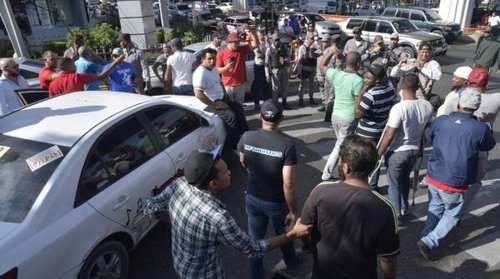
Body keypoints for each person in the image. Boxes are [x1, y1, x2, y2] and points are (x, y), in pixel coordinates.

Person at [143, 149, 311, 279]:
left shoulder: (179, 184)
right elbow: (252, 248)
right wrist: (293, 234)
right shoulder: (217, 217)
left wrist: (175, 218)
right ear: (213, 183)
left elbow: (149, 206)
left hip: (180, 264)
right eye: (225, 171)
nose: (230, 171)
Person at [300, 135, 399, 279]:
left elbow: (304, 228)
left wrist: (308, 246)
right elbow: (388, 258)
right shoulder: (384, 207)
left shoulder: (320, 191)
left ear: (346, 167)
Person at [418, 89, 495, 260]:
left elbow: (429, 137)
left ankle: (425, 235)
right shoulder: (480, 128)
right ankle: (429, 241)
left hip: (434, 173)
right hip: (456, 180)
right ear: (476, 107)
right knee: (452, 213)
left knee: (435, 207)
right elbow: (488, 146)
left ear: (459, 103)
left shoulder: (442, 120)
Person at [238, 100, 299, 279]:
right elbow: (288, 183)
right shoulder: (287, 145)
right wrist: (293, 211)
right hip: (277, 201)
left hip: (253, 195)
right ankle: (291, 263)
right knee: (285, 234)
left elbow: (243, 160)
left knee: (255, 240)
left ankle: (255, 275)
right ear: (281, 118)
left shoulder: (247, 136)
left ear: (260, 116)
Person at [377, 74, 433, 218]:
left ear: (401, 86)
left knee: (394, 184)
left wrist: (377, 154)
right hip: (414, 151)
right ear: (417, 87)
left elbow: (389, 135)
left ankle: (396, 215)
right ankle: (404, 208)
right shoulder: (426, 105)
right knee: (404, 181)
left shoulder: (399, 108)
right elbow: (427, 128)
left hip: (398, 152)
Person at [193, 48, 248, 149]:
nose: (212, 61)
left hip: (222, 98)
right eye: (209, 59)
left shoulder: (213, 69)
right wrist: (215, 105)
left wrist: (225, 95)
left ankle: (246, 138)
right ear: (202, 59)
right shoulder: (200, 73)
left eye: (214, 58)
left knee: (239, 110)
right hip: (212, 103)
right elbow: (198, 93)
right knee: (231, 117)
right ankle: (234, 145)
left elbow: (220, 82)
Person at [321, 52, 364, 181]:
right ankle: (327, 174)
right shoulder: (358, 80)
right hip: (348, 118)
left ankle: (341, 169)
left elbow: (322, 65)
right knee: (340, 146)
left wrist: (331, 52)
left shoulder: (337, 74)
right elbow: (358, 103)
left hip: (336, 115)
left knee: (341, 143)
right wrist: (360, 116)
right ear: (358, 64)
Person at [216, 31, 258, 104]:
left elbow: (255, 45)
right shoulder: (221, 53)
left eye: (238, 42)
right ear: (229, 42)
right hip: (228, 85)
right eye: (236, 42)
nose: (238, 44)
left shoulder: (241, 49)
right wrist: (227, 67)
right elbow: (217, 70)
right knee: (230, 107)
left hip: (240, 84)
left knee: (239, 106)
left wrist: (253, 32)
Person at [49, 56, 123, 97]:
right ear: (68, 65)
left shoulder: (52, 85)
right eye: (73, 64)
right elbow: (102, 76)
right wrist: (115, 63)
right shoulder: (76, 77)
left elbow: (52, 101)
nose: (75, 66)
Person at [266, 34, 291, 109]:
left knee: (285, 87)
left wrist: (287, 62)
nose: (277, 42)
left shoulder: (284, 47)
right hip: (275, 70)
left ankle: (284, 102)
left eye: (278, 40)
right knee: (275, 88)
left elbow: (288, 57)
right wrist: (267, 74)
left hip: (284, 69)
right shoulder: (269, 49)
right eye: (275, 40)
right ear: (272, 40)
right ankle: (275, 104)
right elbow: (267, 63)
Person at [296, 35, 318, 106]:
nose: (312, 40)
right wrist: (299, 70)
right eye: (311, 39)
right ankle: (301, 100)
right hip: (304, 68)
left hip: (312, 67)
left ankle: (311, 98)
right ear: (307, 39)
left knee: (311, 85)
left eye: (313, 39)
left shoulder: (315, 47)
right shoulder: (302, 47)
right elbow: (299, 60)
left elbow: (319, 55)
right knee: (302, 85)